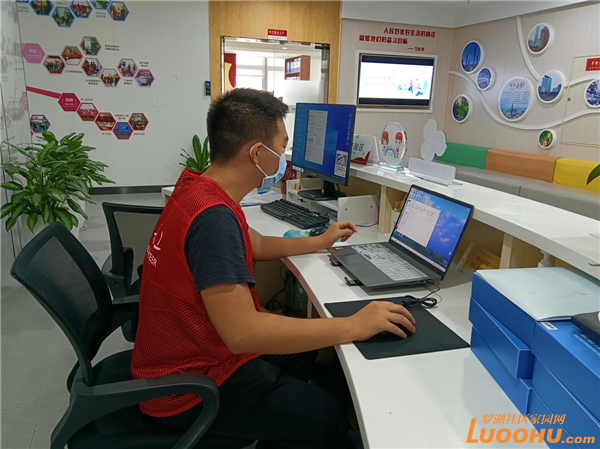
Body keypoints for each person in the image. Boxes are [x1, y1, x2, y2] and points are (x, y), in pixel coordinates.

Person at [131, 88, 416, 449]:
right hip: (190, 386)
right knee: (327, 415)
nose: (283, 156)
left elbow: (257, 245)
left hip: (190, 351)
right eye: (281, 146)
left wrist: (319, 240)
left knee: (304, 350)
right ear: (257, 153)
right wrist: (354, 325)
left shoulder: (198, 189)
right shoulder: (214, 219)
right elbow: (242, 334)